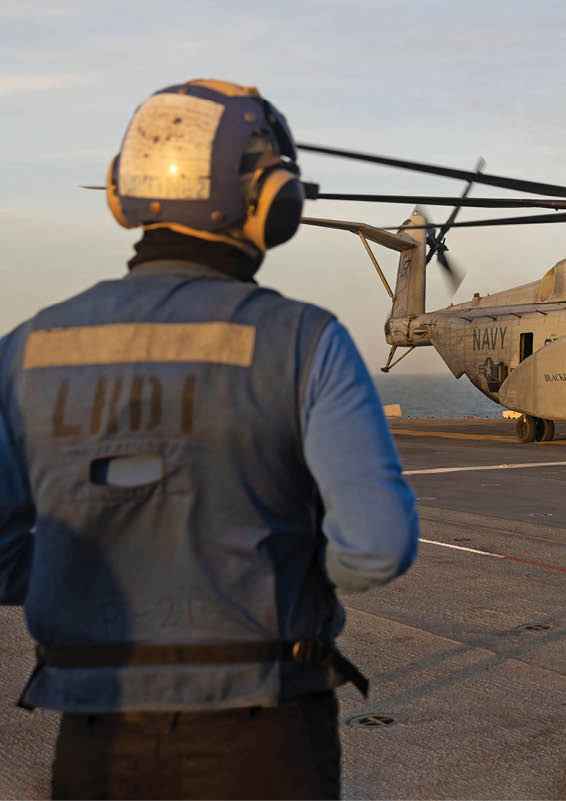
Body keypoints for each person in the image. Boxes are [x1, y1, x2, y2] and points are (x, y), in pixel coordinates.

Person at [0, 79, 418, 799]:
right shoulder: (303, 339)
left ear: (119, 192)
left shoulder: (27, 348)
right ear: (270, 201)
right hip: (262, 732)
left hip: (94, 739)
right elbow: (376, 545)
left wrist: (102, 566)